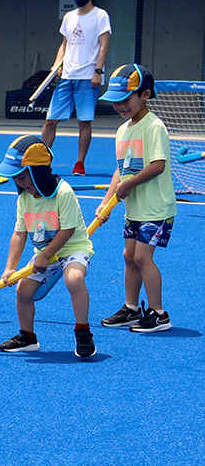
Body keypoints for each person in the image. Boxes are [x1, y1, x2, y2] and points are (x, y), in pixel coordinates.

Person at [0, 136, 96, 358]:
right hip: (44, 254)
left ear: (38, 172)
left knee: (74, 279)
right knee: (23, 290)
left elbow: (67, 231)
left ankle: (83, 332)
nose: (19, 183)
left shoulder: (63, 191)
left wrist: (46, 255)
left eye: (22, 177)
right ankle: (27, 337)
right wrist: (10, 267)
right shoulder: (24, 198)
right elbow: (19, 234)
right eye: (15, 179)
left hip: (71, 248)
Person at [97, 64, 177, 333]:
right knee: (129, 255)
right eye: (115, 101)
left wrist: (128, 184)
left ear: (145, 95)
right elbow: (120, 171)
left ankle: (159, 314)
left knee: (143, 257)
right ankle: (131, 308)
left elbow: (158, 166)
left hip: (156, 207)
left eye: (125, 99)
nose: (120, 106)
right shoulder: (123, 131)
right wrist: (107, 200)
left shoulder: (154, 127)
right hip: (135, 209)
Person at [42, 0, 112, 176]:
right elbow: (65, 44)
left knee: (84, 121)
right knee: (50, 121)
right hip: (67, 76)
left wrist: (98, 71)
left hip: (88, 77)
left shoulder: (101, 16)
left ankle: (80, 163)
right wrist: (57, 65)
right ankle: (42, 160)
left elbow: (104, 46)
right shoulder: (69, 17)